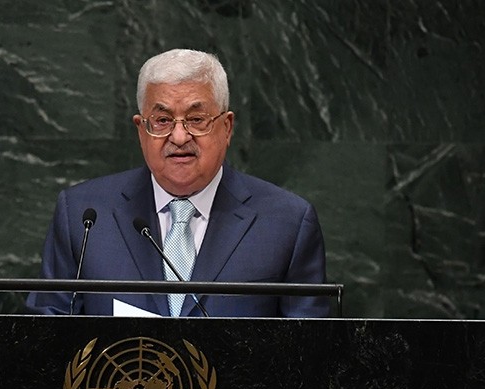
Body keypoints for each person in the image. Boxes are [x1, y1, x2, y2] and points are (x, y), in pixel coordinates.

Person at [25, 48, 329, 317]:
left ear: (227, 127)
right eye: (162, 120)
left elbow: (309, 356)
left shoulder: (287, 223)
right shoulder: (84, 217)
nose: (179, 137)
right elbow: (46, 342)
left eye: (197, 119)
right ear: (141, 130)